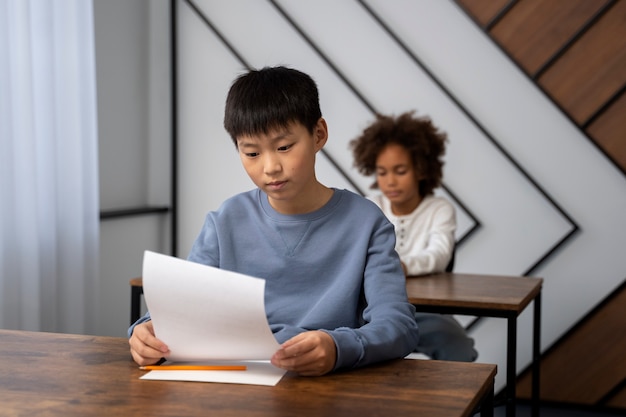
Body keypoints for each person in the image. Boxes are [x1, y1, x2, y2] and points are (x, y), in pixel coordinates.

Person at [128, 66, 420, 376]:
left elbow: (399, 326)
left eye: (284, 148)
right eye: (252, 153)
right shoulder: (225, 221)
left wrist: (337, 347)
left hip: (330, 386)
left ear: (318, 134)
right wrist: (145, 331)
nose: (270, 167)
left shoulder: (366, 222)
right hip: (237, 384)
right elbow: (180, 310)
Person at [350, 111, 477, 362]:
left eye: (400, 170)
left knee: (458, 346)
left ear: (421, 170)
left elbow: (439, 256)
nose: (390, 181)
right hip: (371, 308)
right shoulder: (369, 207)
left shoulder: (439, 210)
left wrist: (402, 266)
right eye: (382, 172)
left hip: (424, 310)